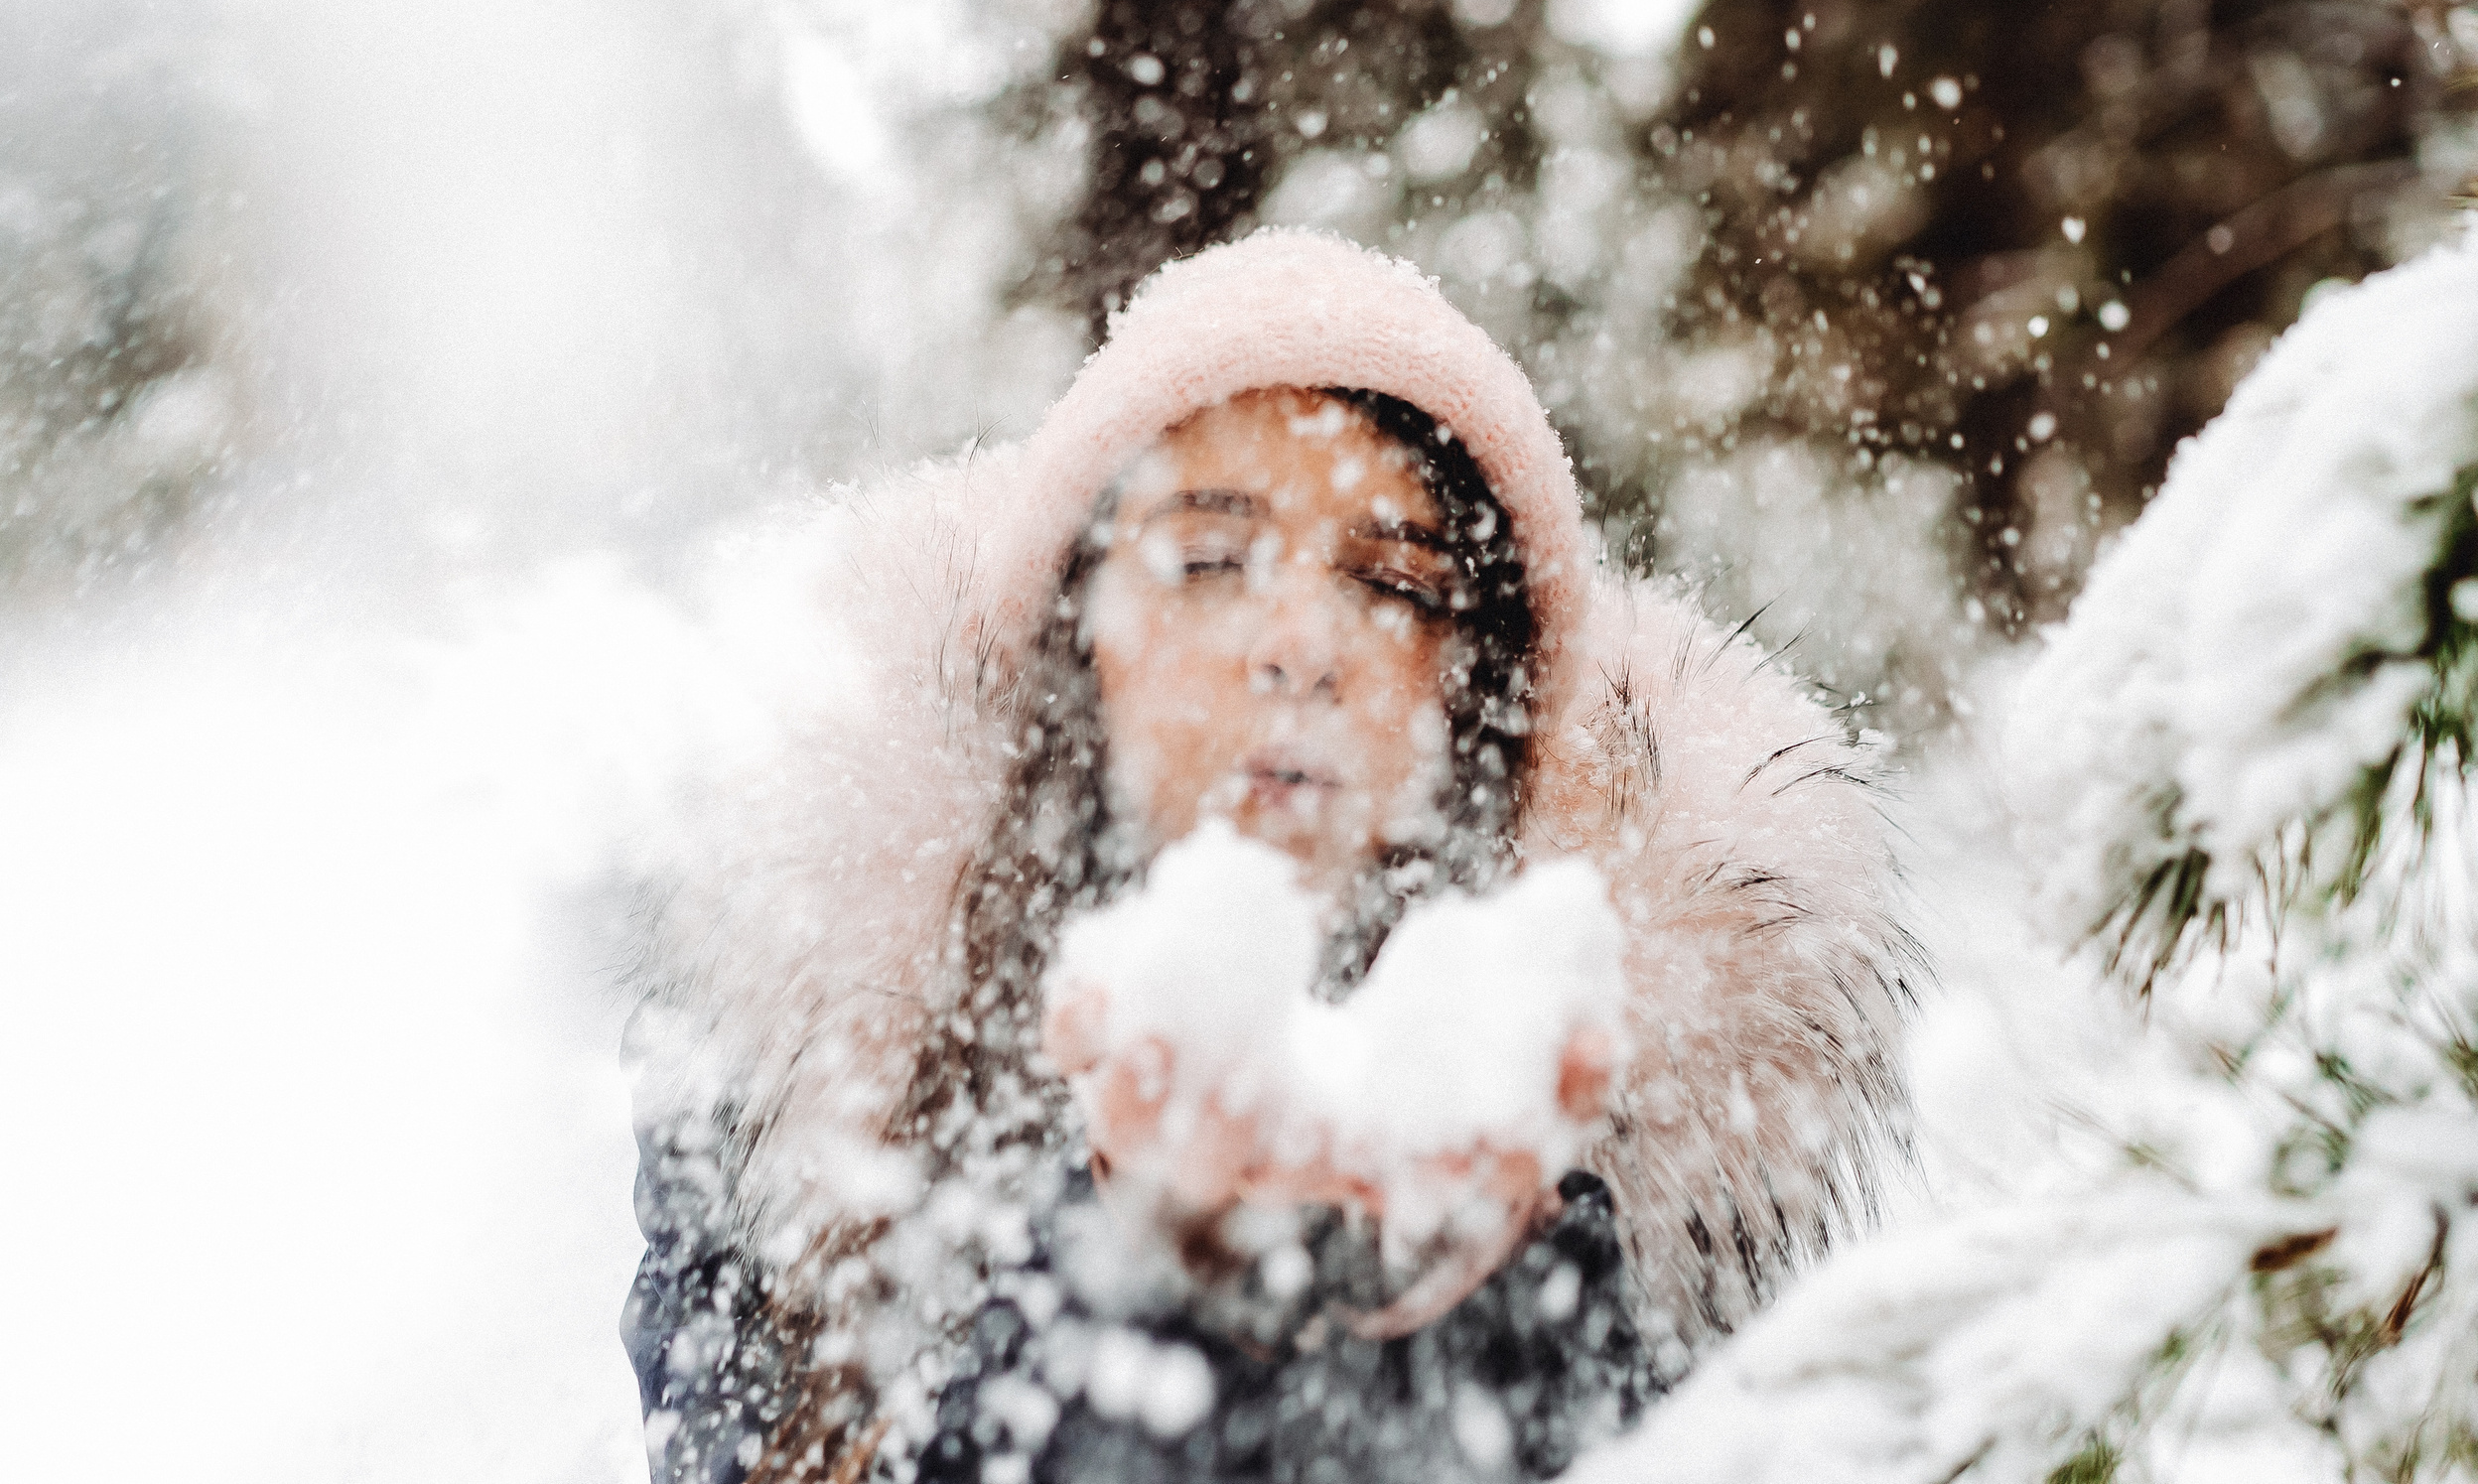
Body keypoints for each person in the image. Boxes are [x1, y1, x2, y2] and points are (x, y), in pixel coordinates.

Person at [621, 230, 1920, 1484]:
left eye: (1396, 581)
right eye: (1207, 556)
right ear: (1084, 652)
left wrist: (1495, 1307)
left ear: (1475, 703)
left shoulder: (1615, 1157)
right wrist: (1131, 1284)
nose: (1301, 639)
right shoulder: (819, 1093)